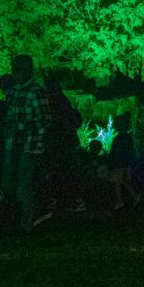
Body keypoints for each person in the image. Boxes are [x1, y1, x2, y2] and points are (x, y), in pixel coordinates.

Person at [3, 54, 52, 232]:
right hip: (13, 143)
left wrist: (20, 126)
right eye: (14, 69)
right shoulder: (15, 91)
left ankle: (26, 223)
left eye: (19, 70)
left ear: (29, 71)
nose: (15, 73)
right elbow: (10, 115)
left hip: (30, 145)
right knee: (10, 182)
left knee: (23, 183)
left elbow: (45, 120)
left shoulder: (35, 91)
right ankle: (13, 219)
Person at [42, 75, 84, 213]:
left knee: (58, 170)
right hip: (67, 141)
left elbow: (55, 123)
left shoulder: (54, 102)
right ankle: (71, 200)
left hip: (58, 142)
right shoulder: (63, 100)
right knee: (68, 171)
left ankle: (57, 200)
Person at [107, 112, 141, 211]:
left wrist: (110, 162)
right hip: (125, 163)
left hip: (118, 164)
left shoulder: (118, 139)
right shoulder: (128, 137)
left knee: (117, 182)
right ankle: (134, 196)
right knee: (124, 181)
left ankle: (120, 201)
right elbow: (131, 151)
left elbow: (114, 152)